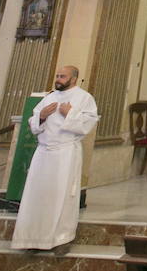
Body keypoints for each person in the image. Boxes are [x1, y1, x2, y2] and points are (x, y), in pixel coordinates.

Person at [10, 65, 99, 252]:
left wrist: (70, 114)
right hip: (43, 152)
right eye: (57, 76)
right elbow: (33, 123)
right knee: (37, 195)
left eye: (62, 76)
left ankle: (61, 239)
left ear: (73, 79)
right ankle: (33, 239)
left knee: (63, 195)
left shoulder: (84, 98)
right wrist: (41, 116)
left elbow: (87, 125)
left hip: (66, 153)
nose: (58, 79)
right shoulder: (49, 98)